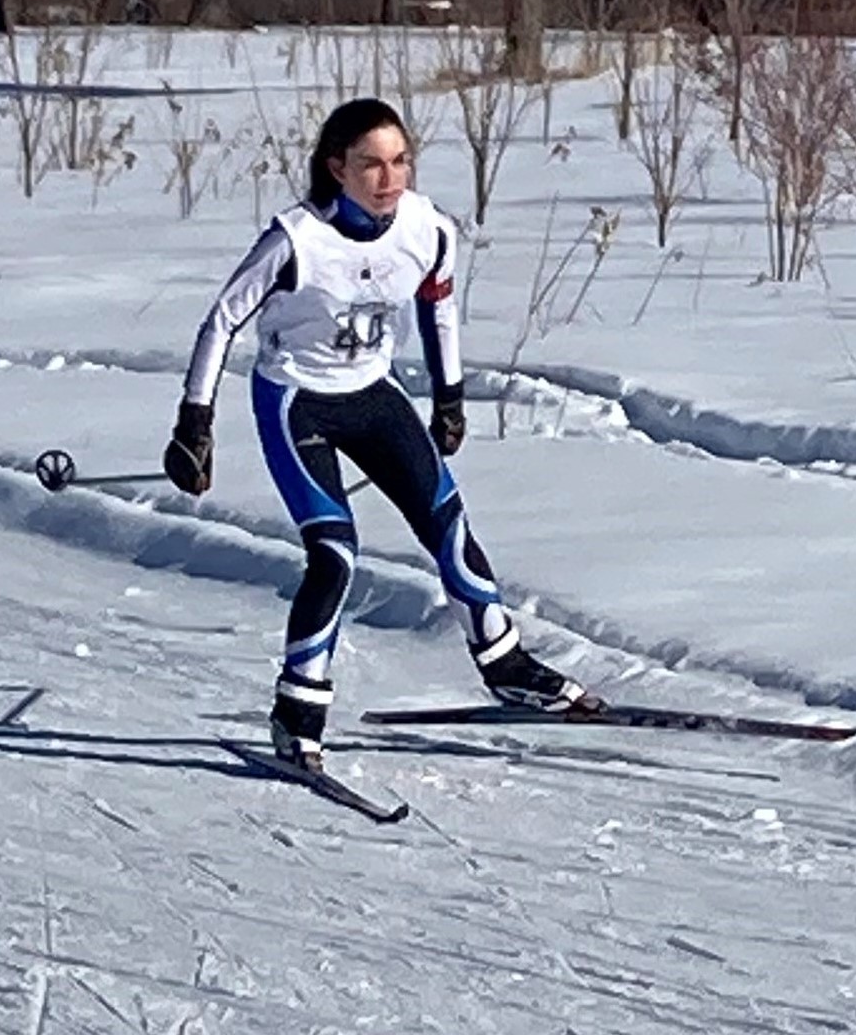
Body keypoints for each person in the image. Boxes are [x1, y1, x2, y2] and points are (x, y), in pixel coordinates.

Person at [163, 96, 583, 769]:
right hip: (297, 400)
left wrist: (450, 397)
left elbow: (438, 308)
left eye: (400, 161)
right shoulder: (296, 238)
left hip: (373, 396)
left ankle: (506, 665)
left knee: (448, 527)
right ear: (337, 169)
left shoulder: (427, 227)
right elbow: (221, 323)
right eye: (370, 165)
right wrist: (194, 423)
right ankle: (297, 714)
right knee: (335, 555)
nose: (389, 179)